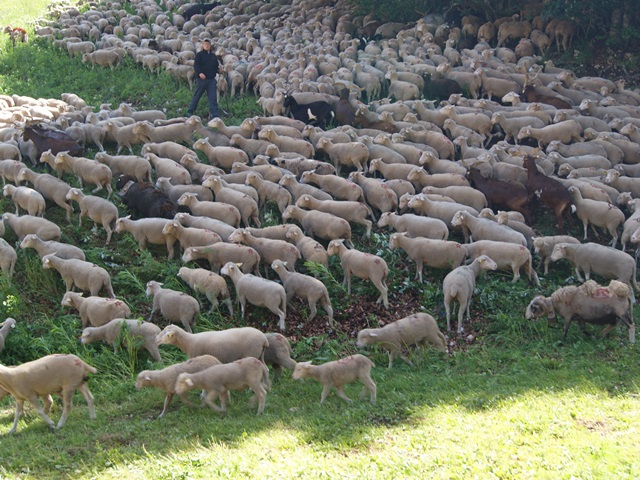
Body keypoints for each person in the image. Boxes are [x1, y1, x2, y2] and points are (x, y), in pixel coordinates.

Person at [186, 38, 221, 120]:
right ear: (202, 45)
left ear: (210, 45)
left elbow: (215, 67)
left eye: (208, 44)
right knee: (197, 95)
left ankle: (215, 114)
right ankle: (190, 111)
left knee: (212, 97)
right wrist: (200, 73)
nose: (206, 46)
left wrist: (220, 71)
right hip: (202, 80)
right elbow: (196, 66)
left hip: (211, 80)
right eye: (205, 44)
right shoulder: (199, 55)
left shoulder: (213, 56)